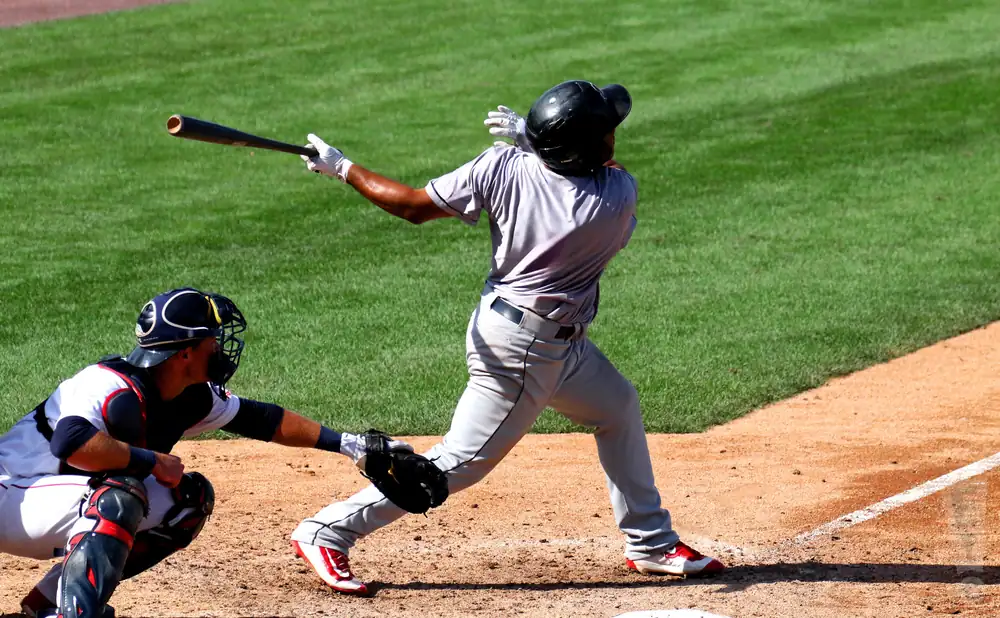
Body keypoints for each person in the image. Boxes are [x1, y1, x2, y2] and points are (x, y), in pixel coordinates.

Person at [290, 80, 725, 596]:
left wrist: (342, 167)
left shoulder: (500, 166)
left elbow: (412, 205)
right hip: (525, 353)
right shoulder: (613, 197)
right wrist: (536, 143)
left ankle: (650, 542)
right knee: (460, 462)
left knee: (617, 407)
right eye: (608, 129)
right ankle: (328, 530)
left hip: (539, 339)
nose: (615, 134)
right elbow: (600, 166)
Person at [0, 287, 403, 617]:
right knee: (121, 495)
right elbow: (71, 443)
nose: (220, 347)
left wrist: (350, 445)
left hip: (53, 503)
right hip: (12, 497)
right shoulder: (105, 384)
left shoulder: (189, 394)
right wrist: (152, 460)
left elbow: (262, 419)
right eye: (213, 339)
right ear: (186, 352)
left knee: (188, 500)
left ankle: (52, 601)